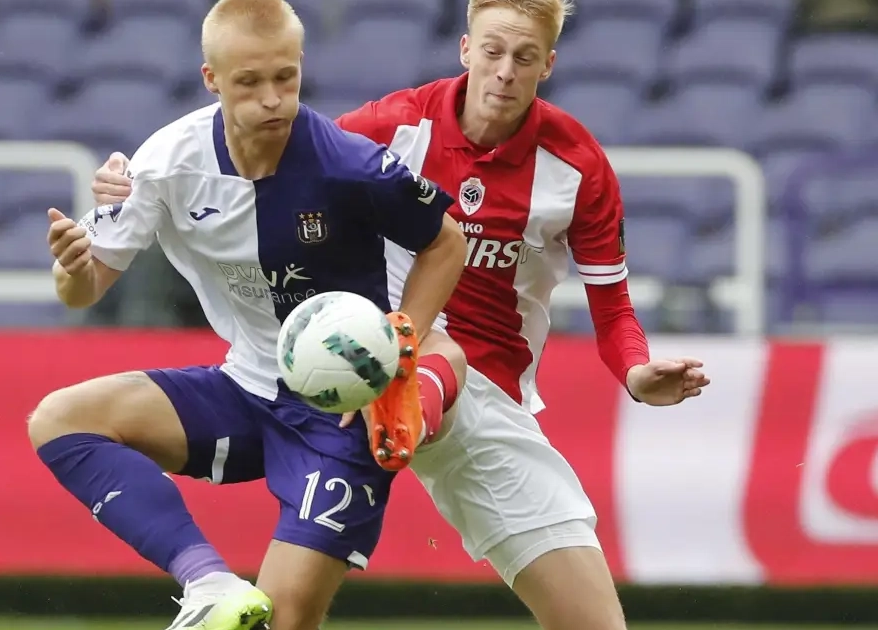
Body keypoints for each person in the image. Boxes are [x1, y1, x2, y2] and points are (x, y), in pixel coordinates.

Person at [92, 1, 711, 629]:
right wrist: (130, 181)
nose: (504, 71)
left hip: (487, 397)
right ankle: (399, 403)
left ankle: (409, 408)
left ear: (547, 64)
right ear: (465, 49)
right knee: (284, 615)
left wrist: (635, 371)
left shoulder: (578, 166)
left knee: (595, 623)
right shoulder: (391, 125)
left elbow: (614, 308)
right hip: (358, 356)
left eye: (524, 58)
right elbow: (278, 150)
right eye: (492, 51)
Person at [27, 1, 468, 629]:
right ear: (211, 79)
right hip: (246, 388)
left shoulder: (349, 165)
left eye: (285, 77)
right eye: (249, 82)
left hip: (342, 412)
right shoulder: (167, 162)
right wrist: (73, 266)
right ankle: (207, 583)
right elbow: (83, 290)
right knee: (61, 419)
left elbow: (446, 242)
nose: (272, 99)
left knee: (284, 621)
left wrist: (400, 344)